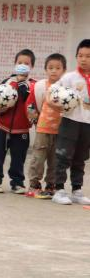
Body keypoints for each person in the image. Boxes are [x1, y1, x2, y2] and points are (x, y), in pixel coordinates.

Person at [0, 49, 36, 193]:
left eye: (26, 63)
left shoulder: (33, 85)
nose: (22, 65)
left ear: (31, 66)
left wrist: (23, 84)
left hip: (22, 130)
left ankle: (17, 182)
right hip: (2, 128)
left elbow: (32, 103)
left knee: (18, 158)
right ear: (15, 64)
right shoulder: (6, 82)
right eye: (20, 62)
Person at [51, 39, 90, 205]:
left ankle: (77, 190)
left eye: (88, 56)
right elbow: (52, 93)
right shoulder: (69, 78)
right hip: (70, 121)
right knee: (63, 155)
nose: (83, 59)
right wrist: (55, 105)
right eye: (80, 55)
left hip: (87, 123)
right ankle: (58, 189)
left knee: (80, 157)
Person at [25, 53, 66, 199]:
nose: (54, 71)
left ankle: (51, 185)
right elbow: (30, 103)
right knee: (38, 157)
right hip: (43, 128)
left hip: (61, 131)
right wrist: (32, 114)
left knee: (55, 159)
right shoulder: (40, 86)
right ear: (45, 69)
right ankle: (34, 185)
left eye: (57, 68)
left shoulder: (66, 88)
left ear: (64, 70)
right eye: (50, 68)